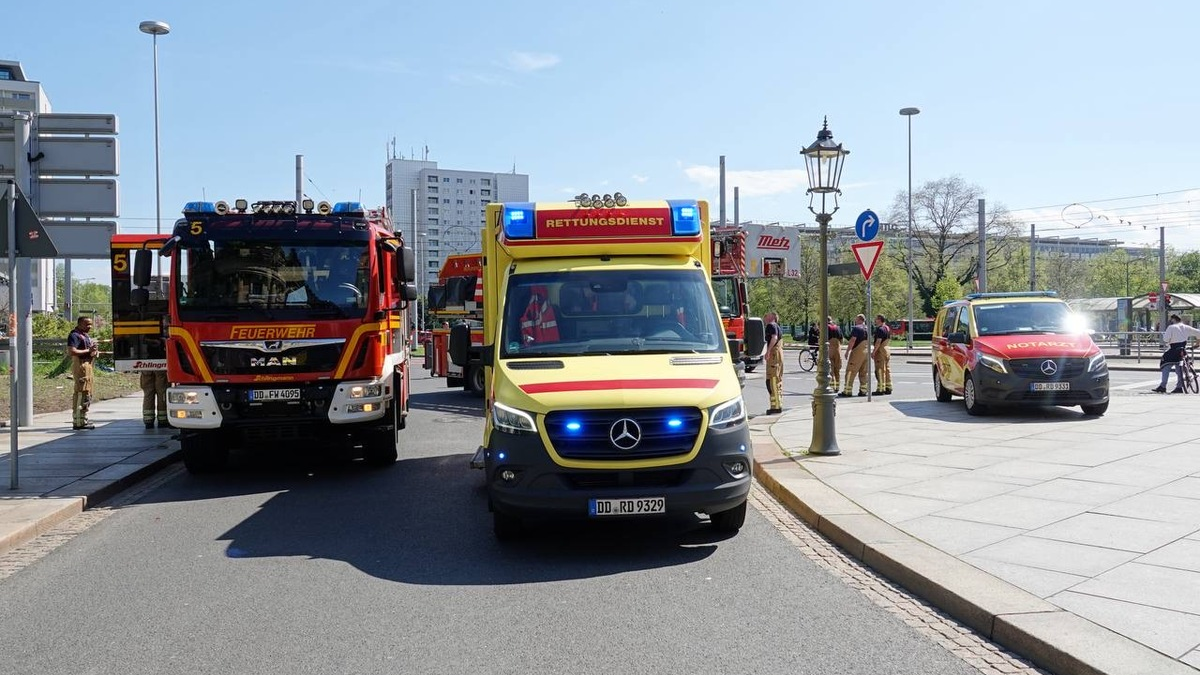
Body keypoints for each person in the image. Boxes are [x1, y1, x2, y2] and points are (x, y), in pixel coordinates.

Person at [1153, 314, 1200, 393]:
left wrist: (1167, 336)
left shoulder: (1171, 327)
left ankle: (1163, 386)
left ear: (1173, 319)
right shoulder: (1186, 327)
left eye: (1171, 320)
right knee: (1180, 368)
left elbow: (1165, 340)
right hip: (1182, 350)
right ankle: (1179, 387)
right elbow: (1199, 333)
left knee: (1165, 366)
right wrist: (1197, 344)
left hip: (1173, 350)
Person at [67, 316, 99, 430]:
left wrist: (93, 352)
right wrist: (88, 351)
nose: (89, 326)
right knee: (81, 392)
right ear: (80, 324)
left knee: (87, 393)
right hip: (80, 365)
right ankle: (78, 422)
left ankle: (83, 419)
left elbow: (88, 350)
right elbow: (72, 351)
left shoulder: (85, 335)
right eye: (87, 324)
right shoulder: (74, 335)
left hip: (88, 365)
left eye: (90, 324)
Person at [840, 314, 870, 398]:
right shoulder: (867, 329)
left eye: (856, 319)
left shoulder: (857, 328)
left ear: (860, 320)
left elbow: (853, 340)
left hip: (857, 352)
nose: (855, 321)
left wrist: (847, 351)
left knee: (850, 371)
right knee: (863, 372)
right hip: (866, 351)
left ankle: (847, 391)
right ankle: (863, 390)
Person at [764, 311, 784, 414]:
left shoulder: (771, 325)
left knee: (772, 380)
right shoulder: (777, 326)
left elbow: (774, 337)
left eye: (766, 315)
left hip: (774, 355)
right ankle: (778, 403)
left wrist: (768, 351)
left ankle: (775, 407)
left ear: (772, 317)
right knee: (778, 379)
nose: (764, 317)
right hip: (779, 354)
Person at [872, 314, 893, 395]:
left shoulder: (880, 329)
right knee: (887, 369)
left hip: (880, 351)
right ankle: (888, 387)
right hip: (887, 349)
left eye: (876, 319)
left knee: (880, 369)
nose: (875, 320)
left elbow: (878, 342)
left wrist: (874, 352)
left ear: (880, 319)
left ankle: (880, 389)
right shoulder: (887, 328)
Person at [826, 316, 844, 391]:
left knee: (830, 368)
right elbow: (842, 339)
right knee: (837, 369)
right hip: (838, 349)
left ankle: (832, 385)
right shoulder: (838, 327)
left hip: (830, 349)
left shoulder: (826, 327)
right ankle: (837, 386)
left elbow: (823, 339)